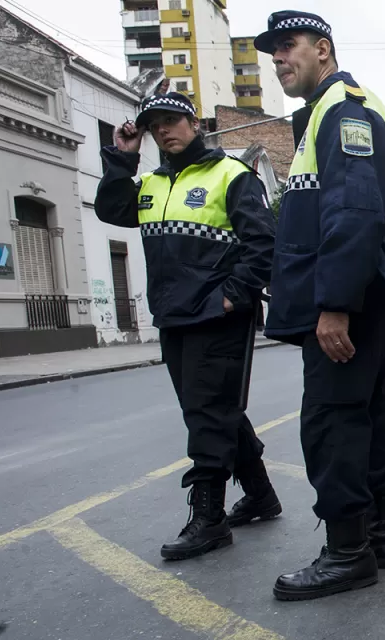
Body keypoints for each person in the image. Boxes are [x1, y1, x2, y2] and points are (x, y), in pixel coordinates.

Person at [256, 10, 385, 601]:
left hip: (348, 296)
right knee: (370, 412)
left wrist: (336, 304)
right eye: (272, 52)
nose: (278, 59)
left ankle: (348, 551)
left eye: (287, 46)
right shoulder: (336, 107)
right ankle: (383, 535)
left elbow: (352, 209)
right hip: (358, 291)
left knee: (333, 421)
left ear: (323, 49)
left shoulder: (342, 108)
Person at [96, 90, 280, 560]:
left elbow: (263, 244)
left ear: (194, 124)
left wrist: (231, 296)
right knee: (214, 409)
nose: (163, 130)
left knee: (206, 413)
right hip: (173, 315)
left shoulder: (230, 175)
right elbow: (112, 211)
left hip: (218, 317)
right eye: (155, 124)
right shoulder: (153, 184)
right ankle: (260, 495)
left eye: (172, 121)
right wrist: (122, 157)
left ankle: (209, 519)